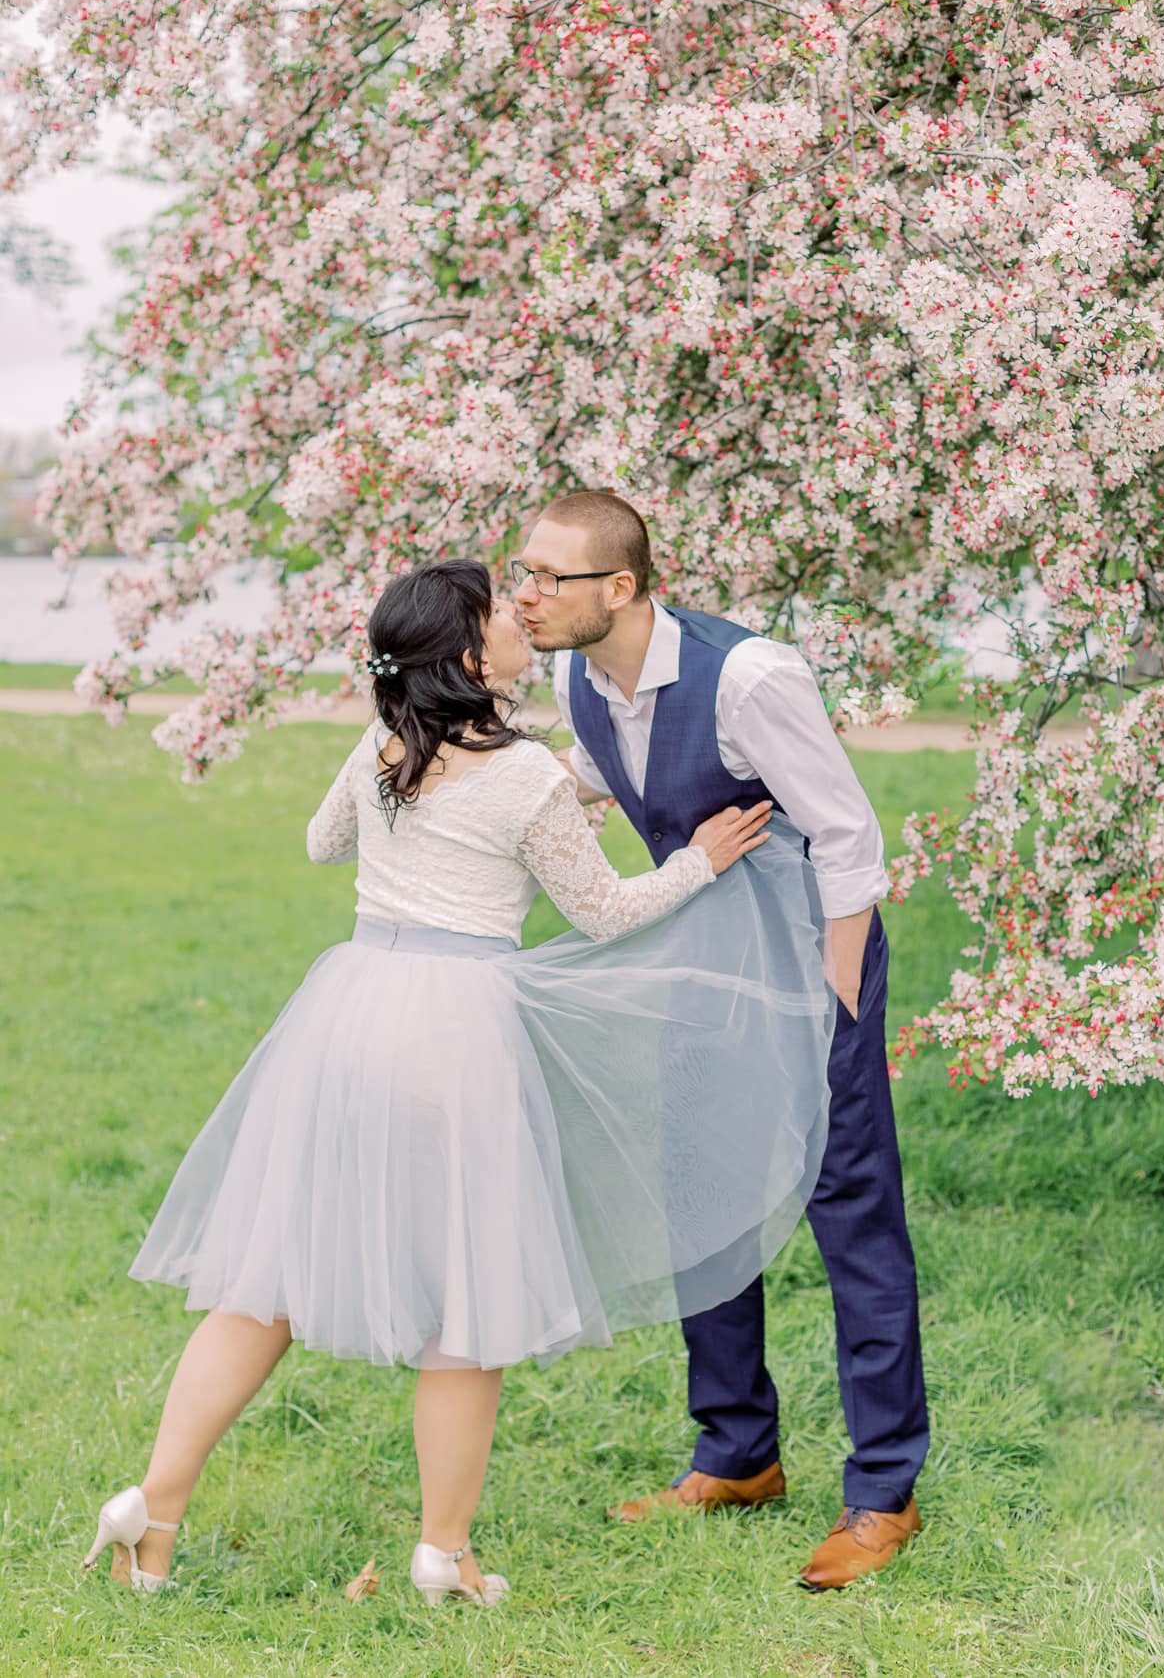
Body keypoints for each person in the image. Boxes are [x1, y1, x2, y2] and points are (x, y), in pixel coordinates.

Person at [81, 558, 836, 1606]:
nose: (522, 616)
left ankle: (151, 1512)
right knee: (467, 1302)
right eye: (499, 612)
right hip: (457, 1033)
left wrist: (513, 792)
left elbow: (321, 840)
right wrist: (702, 859)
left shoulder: (388, 745)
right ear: (472, 655)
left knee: (267, 1286)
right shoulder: (520, 778)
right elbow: (605, 914)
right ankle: (443, 1551)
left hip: (348, 1016)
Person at [515, 491, 929, 1592]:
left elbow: (847, 833)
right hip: (691, 956)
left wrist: (838, 996)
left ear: (624, 588)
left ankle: (885, 1491)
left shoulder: (751, 678)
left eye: (553, 577)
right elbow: (607, 776)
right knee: (699, 1189)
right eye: (525, 572)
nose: (528, 594)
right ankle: (738, 1454)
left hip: (808, 957)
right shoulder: (575, 677)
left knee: (850, 1207)